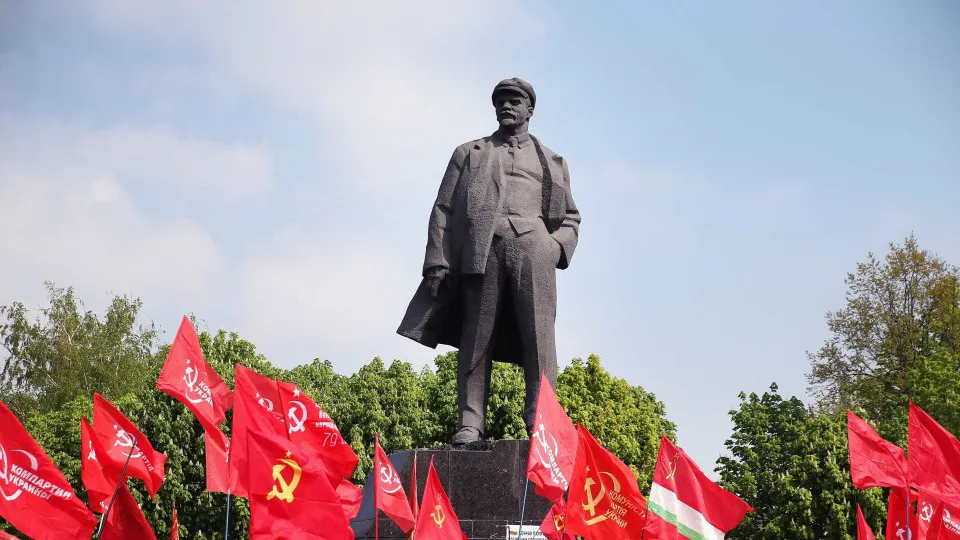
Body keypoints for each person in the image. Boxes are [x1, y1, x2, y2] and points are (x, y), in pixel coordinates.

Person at [397, 77, 581, 447]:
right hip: (484, 250)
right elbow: (443, 209)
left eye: (514, 101)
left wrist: (555, 248)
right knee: (476, 337)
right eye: (500, 101)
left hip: (535, 249)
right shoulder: (470, 153)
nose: (506, 106)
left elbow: (570, 219)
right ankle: (470, 422)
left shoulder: (553, 161)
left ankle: (541, 422)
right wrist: (437, 260)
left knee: (540, 340)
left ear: (530, 109)